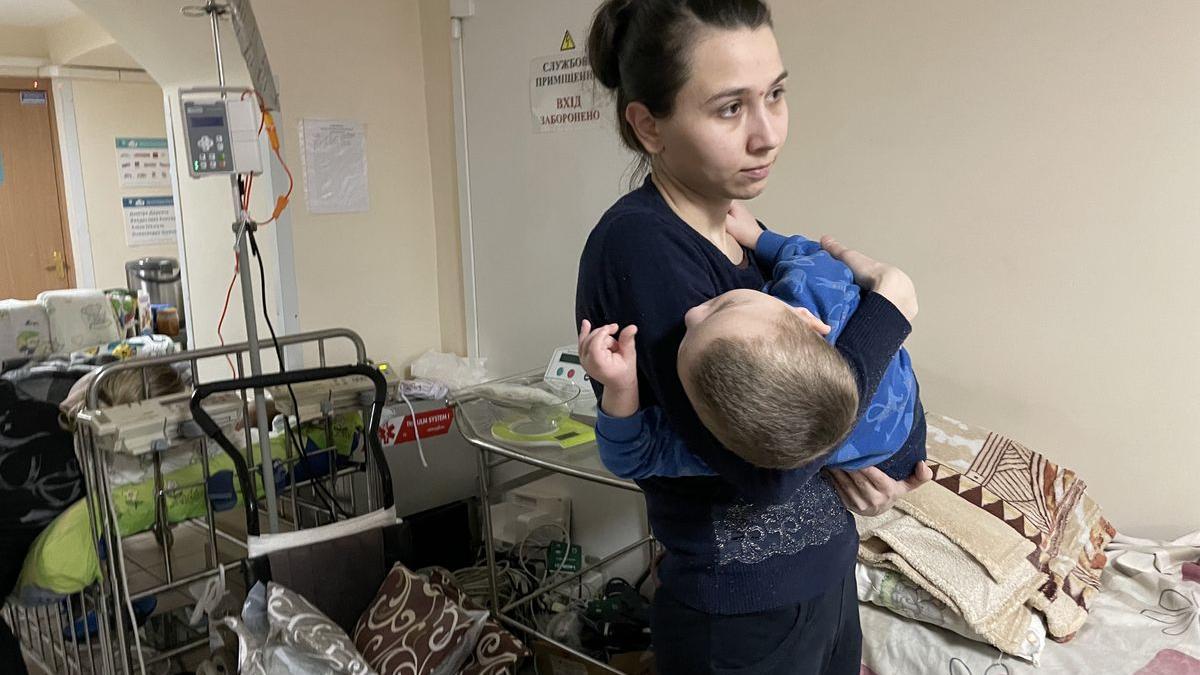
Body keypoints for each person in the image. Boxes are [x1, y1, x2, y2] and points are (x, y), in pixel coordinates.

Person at [575, 1, 932, 672]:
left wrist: (871, 462)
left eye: (775, 94)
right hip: (742, 620)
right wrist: (891, 310)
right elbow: (770, 468)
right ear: (649, 125)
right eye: (730, 108)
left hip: (825, 577)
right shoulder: (642, 247)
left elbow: (800, 406)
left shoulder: (738, 227)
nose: (767, 135)